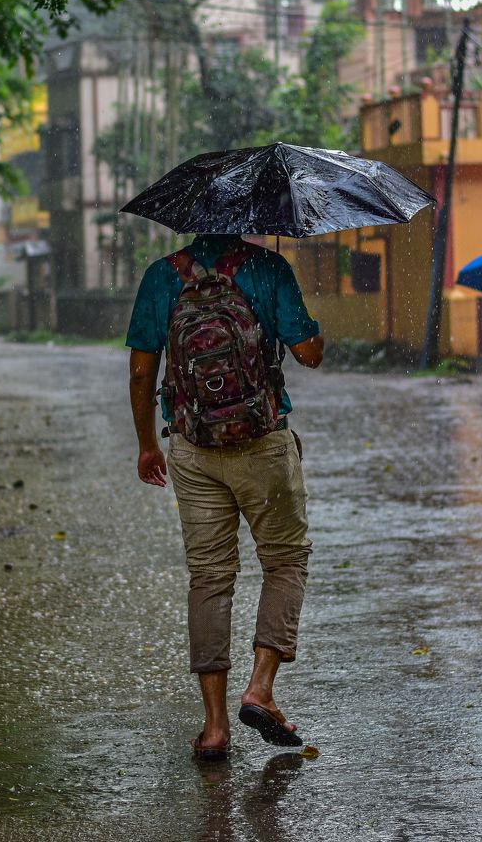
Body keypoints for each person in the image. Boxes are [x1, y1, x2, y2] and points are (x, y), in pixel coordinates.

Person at [127, 233, 323, 761]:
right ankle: (260, 689)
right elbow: (308, 353)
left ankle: (214, 727)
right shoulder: (268, 267)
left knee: (210, 577)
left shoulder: (161, 276)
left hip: (191, 445)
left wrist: (149, 444)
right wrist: (302, 327)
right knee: (284, 561)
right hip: (263, 443)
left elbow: (143, 369)